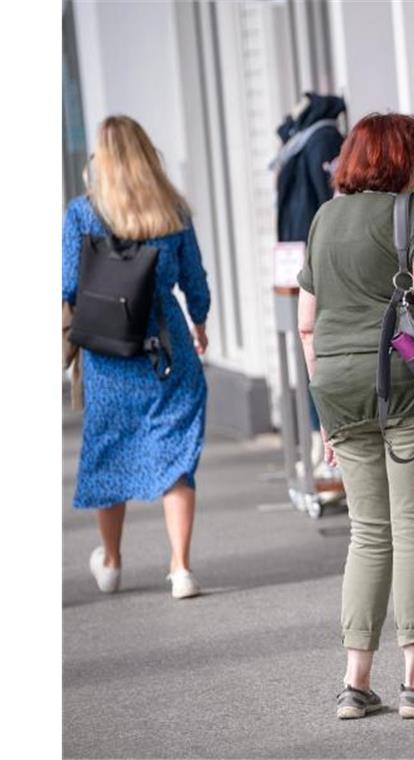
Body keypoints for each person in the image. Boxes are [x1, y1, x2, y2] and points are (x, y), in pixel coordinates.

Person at [297, 113, 414, 721]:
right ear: (405, 159)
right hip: (406, 386)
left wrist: (325, 406)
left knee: (368, 532)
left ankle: (355, 681)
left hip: (340, 389)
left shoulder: (323, 220)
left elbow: (306, 321)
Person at [62, 115, 211, 600]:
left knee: (110, 450)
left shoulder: (83, 214)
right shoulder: (172, 211)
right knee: (176, 459)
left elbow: (68, 284)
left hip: (109, 354)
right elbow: (195, 280)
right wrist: (201, 322)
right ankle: (181, 568)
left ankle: (111, 562)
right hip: (166, 348)